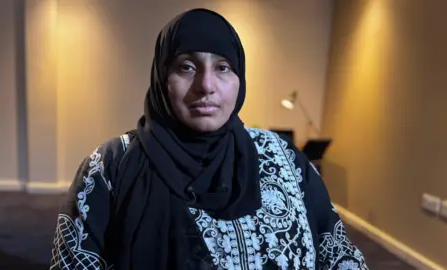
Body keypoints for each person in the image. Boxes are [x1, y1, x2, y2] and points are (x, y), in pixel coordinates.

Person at [49, 8, 368, 270]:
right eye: (186, 67)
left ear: (239, 79)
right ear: (162, 78)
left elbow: (338, 254)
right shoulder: (110, 166)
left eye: (223, 67)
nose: (206, 85)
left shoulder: (283, 157)